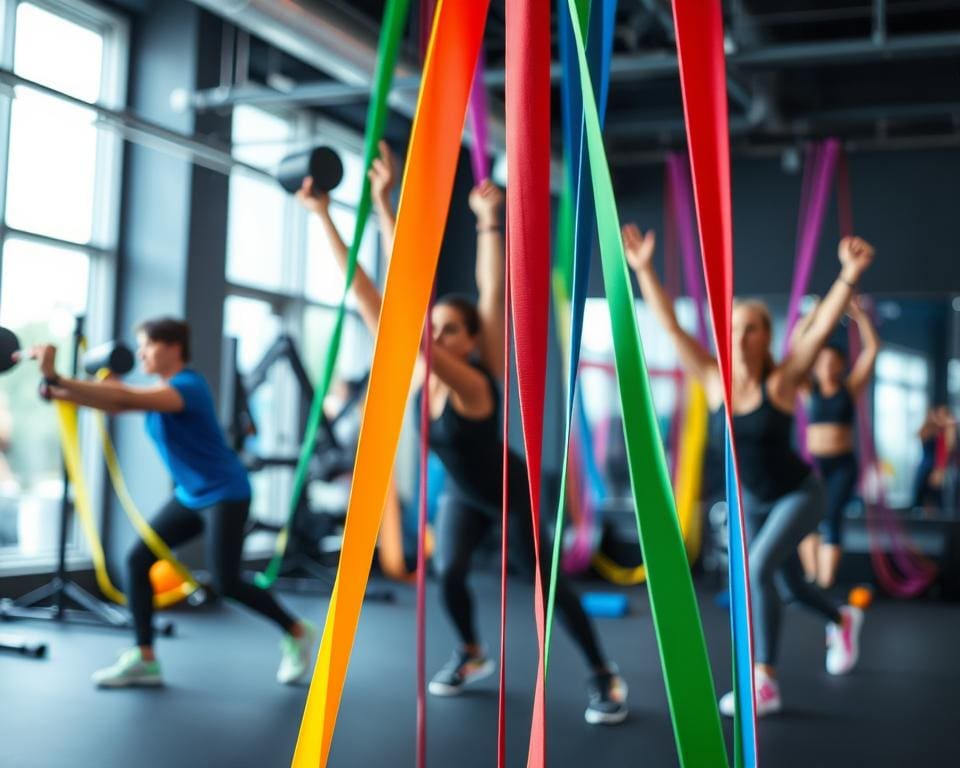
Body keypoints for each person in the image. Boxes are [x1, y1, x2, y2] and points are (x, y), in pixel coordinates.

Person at [296, 141, 628, 725]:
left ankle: (604, 675)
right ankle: (473, 654)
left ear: (471, 340)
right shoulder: (426, 370)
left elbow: (482, 292)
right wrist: (324, 213)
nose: (440, 335)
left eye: (451, 329)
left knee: (544, 590)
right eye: (438, 329)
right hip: (463, 494)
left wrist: (488, 224)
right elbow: (369, 296)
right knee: (447, 573)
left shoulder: (476, 381)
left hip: (510, 490)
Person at [623, 223, 872, 717]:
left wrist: (848, 275)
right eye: (733, 327)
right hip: (753, 500)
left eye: (751, 327)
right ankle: (841, 616)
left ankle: (766, 682)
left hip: (799, 494)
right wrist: (644, 270)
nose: (740, 335)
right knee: (787, 586)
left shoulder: (782, 382)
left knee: (757, 569)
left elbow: (821, 327)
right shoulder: (714, 381)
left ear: (765, 336)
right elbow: (671, 326)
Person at [18, 319, 317, 688]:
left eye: (147, 345)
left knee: (226, 582)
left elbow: (124, 397)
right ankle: (145, 658)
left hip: (226, 492)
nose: (140, 352)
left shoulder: (187, 387)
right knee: (137, 560)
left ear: (173, 347)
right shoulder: (161, 390)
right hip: (190, 495)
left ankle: (297, 631)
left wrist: (57, 375)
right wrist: (59, 390)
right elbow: (115, 401)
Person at [797, 298, 879, 588]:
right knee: (807, 518)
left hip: (842, 464)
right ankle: (811, 577)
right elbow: (797, 347)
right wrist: (813, 316)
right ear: (816, 365)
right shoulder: (808, 389)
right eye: (822, 361)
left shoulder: (850, 388)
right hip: (814, 463)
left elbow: (872, 350)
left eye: (834, 362)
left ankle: (826, 581)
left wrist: (860, 316)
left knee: (832, 515)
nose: (828, 366)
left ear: (842, 365)